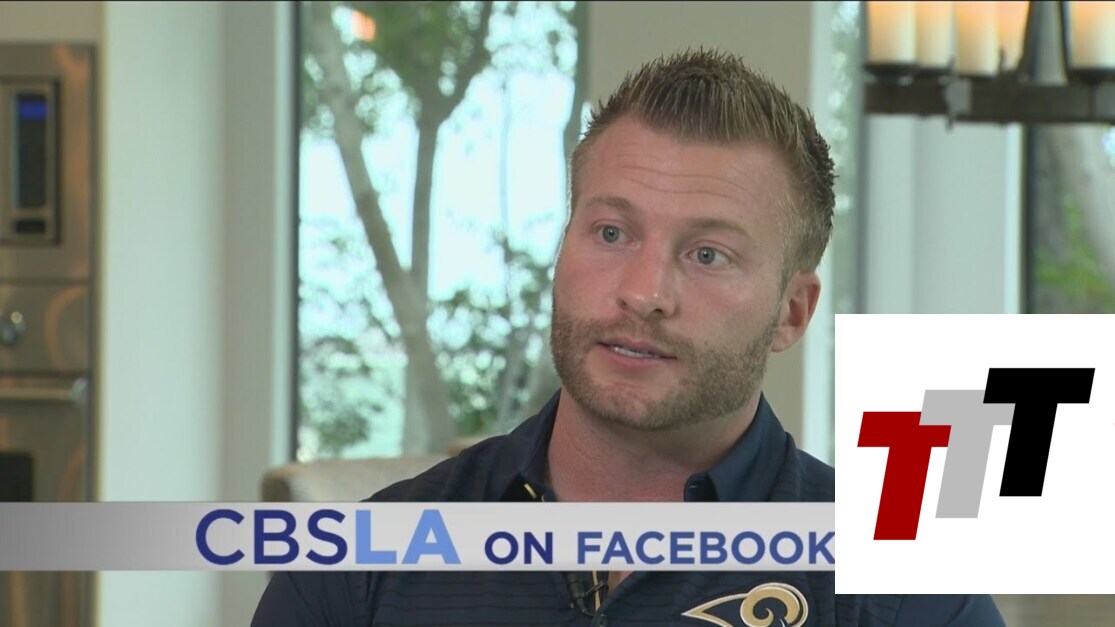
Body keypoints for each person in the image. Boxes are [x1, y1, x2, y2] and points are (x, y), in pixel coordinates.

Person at [253, 48, 1004, 626]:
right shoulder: (356, 568)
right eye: (611, 232)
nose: (644, 293)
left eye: (707, 254)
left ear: (791, 313)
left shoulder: (906, 593)